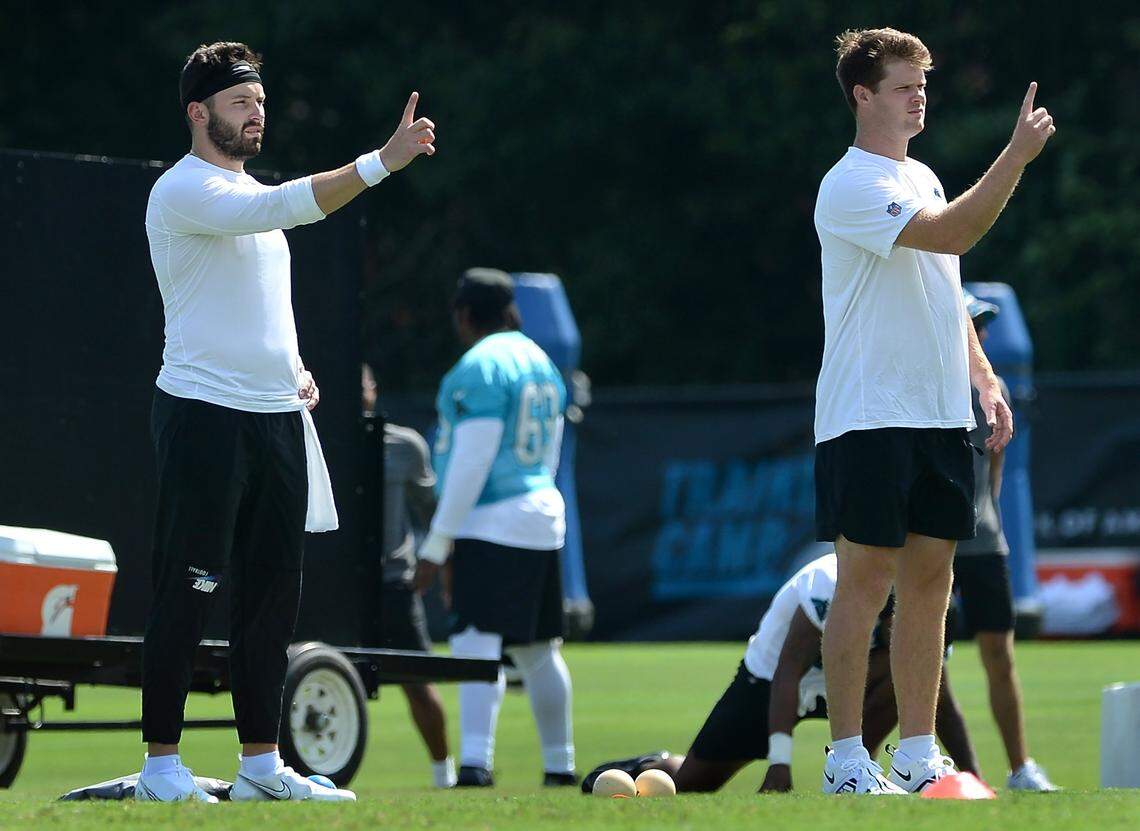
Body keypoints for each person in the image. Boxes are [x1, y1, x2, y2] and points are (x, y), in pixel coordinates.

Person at [136, 41, 435, 803]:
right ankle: (162, 767)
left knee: (273, 595)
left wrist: (292, 370)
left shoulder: (245, 197)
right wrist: (381, 162)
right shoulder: (183, 190)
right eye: (242, 102)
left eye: (262, 101)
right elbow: (280, 208)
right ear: (199, 112)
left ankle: (261, 767)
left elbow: (260, 305)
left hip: (273, 418)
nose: (257, 112)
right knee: (188, 585)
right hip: (203, 414)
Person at [813, 27, 1054, 794]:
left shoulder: (922, 173)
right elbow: (952, 233)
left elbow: (946, 289)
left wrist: (982, 374)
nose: (920, 97)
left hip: (937, 412)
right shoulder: (849, 182)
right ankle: (846, 758)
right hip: (867, 411)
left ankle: (917, 754)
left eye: (924, 84)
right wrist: (1014, 156)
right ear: (862, 94)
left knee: (931, 579)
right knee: (866, 580)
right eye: (903, 86)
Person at [580, 553, 980, 794]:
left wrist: (971, 778)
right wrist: (780, 764)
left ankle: (863, 773)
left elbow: (939, 703)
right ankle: (656, 763)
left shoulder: (923, 615)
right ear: (890, 605)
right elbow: (788, 672)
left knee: (903, 678)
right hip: (770, 682)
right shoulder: (832, 583)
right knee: (693, 783)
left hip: (846, 686)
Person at [412, 268, 576, 788]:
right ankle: (559, 764)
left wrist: (438, 543)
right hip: (541, 515)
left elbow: (472, 460)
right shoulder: (541, 361)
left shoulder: (479, 366)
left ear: (464, 315)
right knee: (539, 648)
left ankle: (476, 764)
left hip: (491, 520)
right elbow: (550, 453)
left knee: (475, 639)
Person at [953, 292, 1059, 791]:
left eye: (986, 325)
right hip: (931, 543)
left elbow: (993, 477)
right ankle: (933, 763)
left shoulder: (997, 397)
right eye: (976, 323)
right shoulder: (925, 388)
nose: (985, 335)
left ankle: (1021, 769)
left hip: (982, 543)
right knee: (922, 655)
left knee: (1000, 651)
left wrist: (987, 522)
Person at [361, 363, 458, 789]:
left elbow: (432, 513)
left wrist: (440, 568)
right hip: (327, 589)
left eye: (359, 384)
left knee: (419, 684)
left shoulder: (405, 446)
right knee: (309, 679)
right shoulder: (311, 439)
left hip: (392, 584)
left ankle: (445, 775)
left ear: (374, 389)